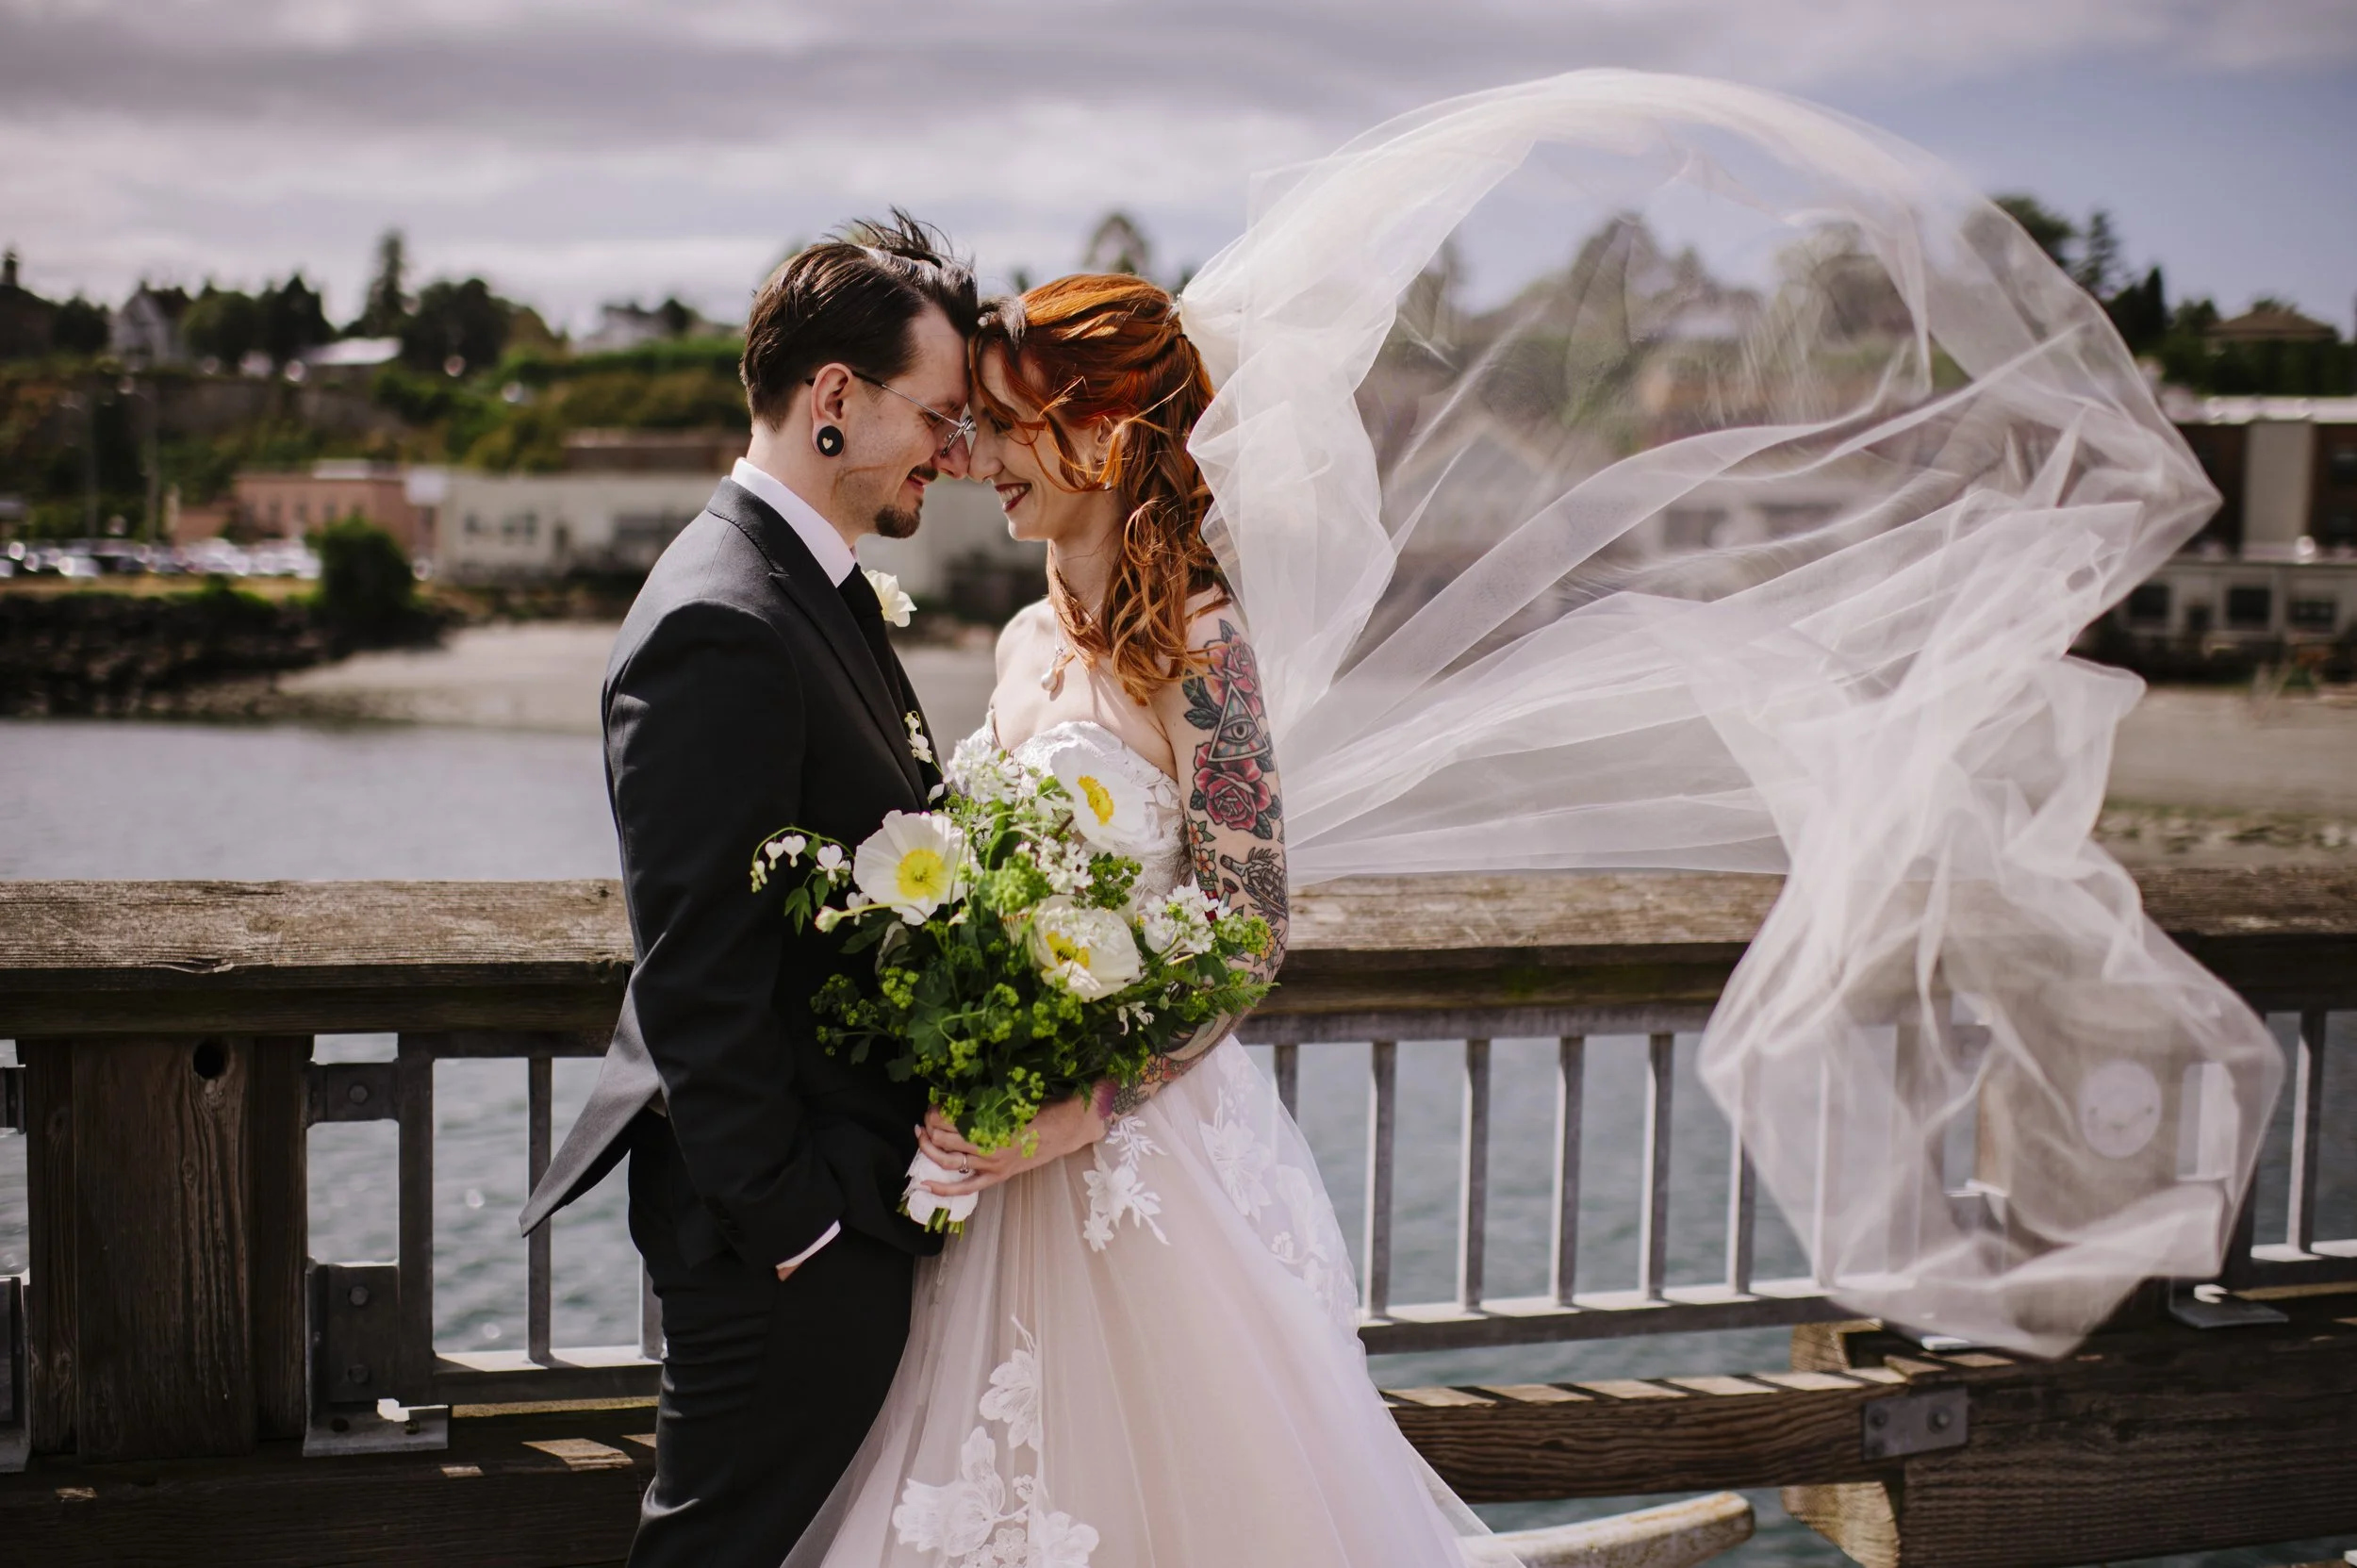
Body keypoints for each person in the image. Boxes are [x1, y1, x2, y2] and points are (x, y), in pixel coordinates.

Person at [784, 272, 1510, 1568]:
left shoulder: (1200, 647)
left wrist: (1072, 1112)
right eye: (974, 427)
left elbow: (1249, 929)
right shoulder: (1020, 641)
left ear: (1107, 437)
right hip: (995, 1176)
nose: (974, 456)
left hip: (1132, 1164)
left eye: (1006, 427)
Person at [519, 213, 983, 1568]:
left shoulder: (807, 583)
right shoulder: (720, 618)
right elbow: (696, 973)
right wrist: (803, 1230)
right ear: (835, 398)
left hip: (845, 1202)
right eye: (937, 416)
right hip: (782, 1241)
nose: (952, 455)